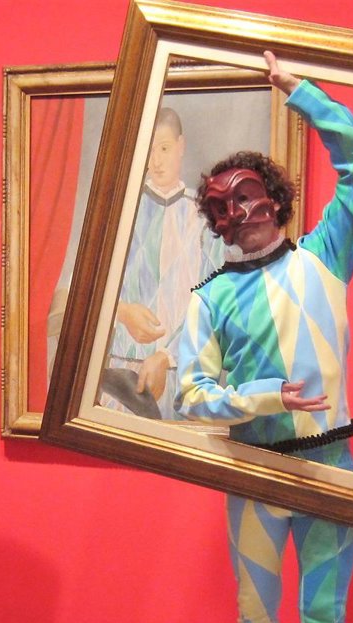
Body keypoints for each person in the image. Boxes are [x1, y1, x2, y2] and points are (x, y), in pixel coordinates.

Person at [175, 52, 353, 623]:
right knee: (255, 606)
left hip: (329, 464)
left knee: (324, 614)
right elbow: (191, 396)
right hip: (255, 469)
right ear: (214, 221)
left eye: (248, 194)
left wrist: (302, 93)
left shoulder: (326, 257)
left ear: (274, 196)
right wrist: (265, 397)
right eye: (222, 204)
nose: (239, 211)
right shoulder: (208, 299)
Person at [101, 106, 225, 419]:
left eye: (165, 148)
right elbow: (85, 290)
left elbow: (216, 304)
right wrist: (122, 311)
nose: (156, 161)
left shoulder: (204, 217)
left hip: (182, 375)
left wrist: (166, 356)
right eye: (149, 150)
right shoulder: (119, 211)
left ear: (181, 146)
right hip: (120, 375)